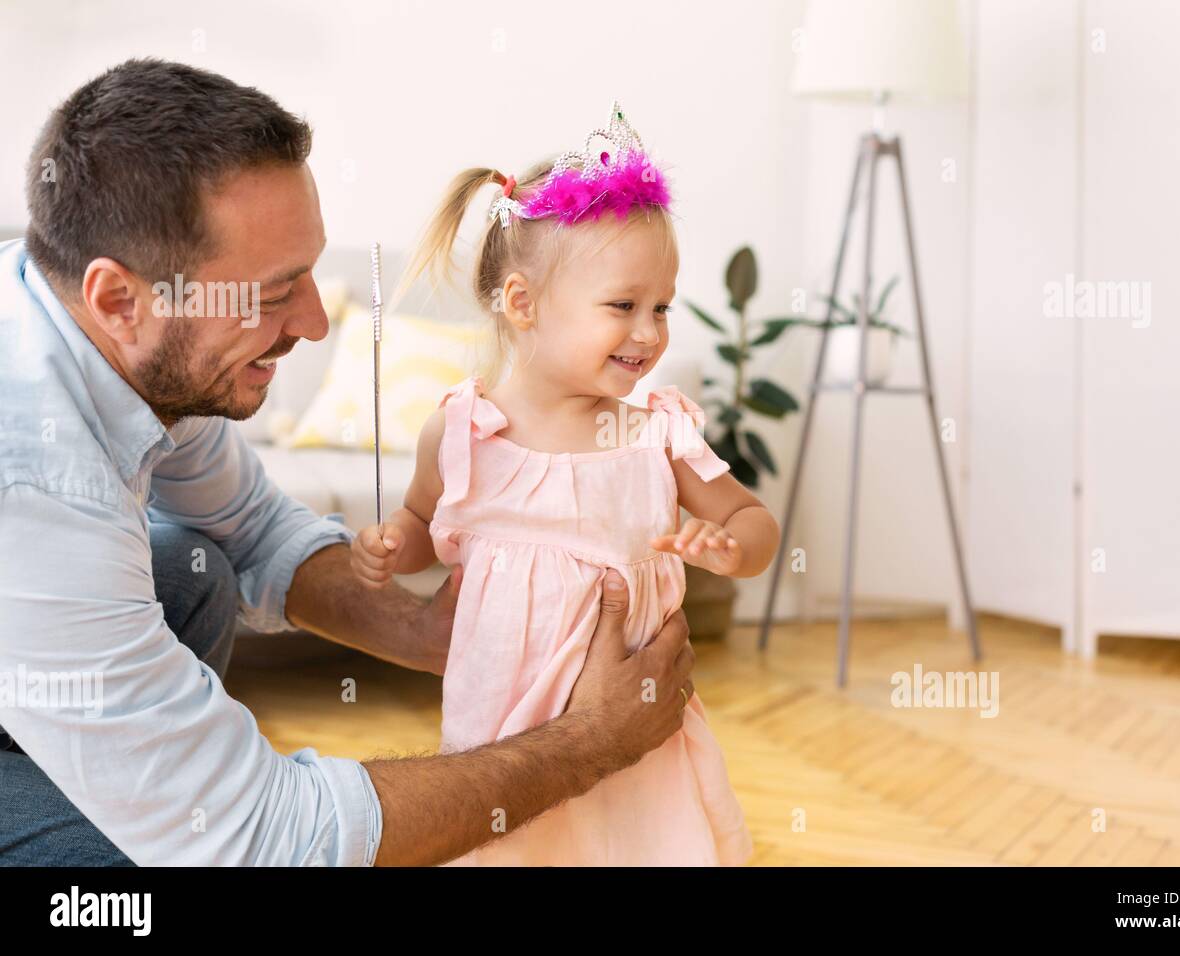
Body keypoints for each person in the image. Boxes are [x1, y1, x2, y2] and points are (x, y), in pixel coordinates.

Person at [0, 59, 696, 867]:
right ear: (121, 300)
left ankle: (83, 761)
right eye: (271, 293)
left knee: (192, 576)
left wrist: (426, 632)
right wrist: (590, 741)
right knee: (145, 859)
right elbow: (266, 838)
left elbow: (254, 530)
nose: (314, 323)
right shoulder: (36, 481)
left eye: (310, 275)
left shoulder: (103, 335)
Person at [351, 104, 779, 864]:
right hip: (505, 733)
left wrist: (728, 546)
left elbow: (754, 523)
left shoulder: (658, 429)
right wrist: (393, 544)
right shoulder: (463, 433)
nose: (649, 333)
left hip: (637, 729)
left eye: (661, 308)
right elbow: (423, 532)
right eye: (623, 307)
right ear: (522, 304)